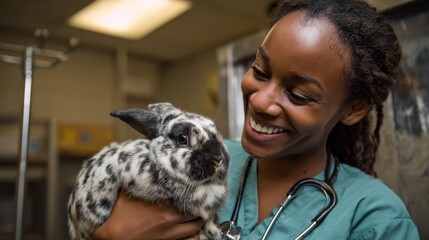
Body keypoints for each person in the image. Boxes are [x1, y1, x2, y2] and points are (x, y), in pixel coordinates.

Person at [92, 0, 420, 239]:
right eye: (260, 72)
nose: (260, 100)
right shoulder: (196, 157)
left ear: (353, 110)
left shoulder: (375, 218)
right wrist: (105, 235)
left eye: (298, 95)